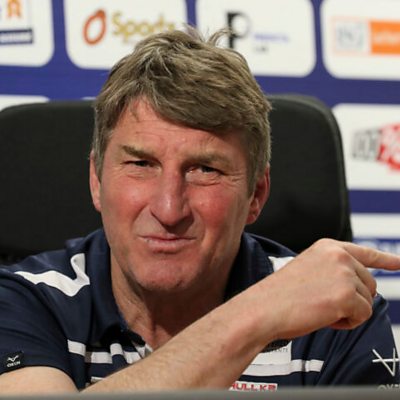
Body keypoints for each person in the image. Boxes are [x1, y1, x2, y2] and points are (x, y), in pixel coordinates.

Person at [0, 28, 399, 394]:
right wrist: (259, 314)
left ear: (256, 194)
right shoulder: (25, 301)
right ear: (96, 180)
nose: (168, 208)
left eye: (205, 170)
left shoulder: (332, 316)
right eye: (141, 164)